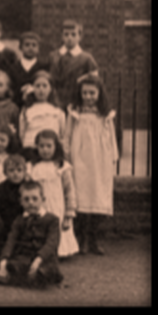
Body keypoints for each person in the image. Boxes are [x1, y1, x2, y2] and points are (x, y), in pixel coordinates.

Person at [64, 74, 117, 255]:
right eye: (85, 93)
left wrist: (113, 158)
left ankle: (94, 238)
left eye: (92, 93)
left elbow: (111, 135)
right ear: (80, 94)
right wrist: (67, 155)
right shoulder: (74, 112)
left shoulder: (105, 114)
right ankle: (81, 238)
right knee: (81, 195)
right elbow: (67, 135)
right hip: (80, 158)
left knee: (99, 195)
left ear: (99, 93)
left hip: (100, 160)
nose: (88, 96)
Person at [0, 181, 64, 288]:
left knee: (43, 272)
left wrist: (38, 260)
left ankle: (31, 278)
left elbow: (51, 243)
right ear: (21, 202)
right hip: (24, 257)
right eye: (26, 199)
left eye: (35, 198)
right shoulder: (19, 220)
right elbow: (11, 240)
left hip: (44, 259)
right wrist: (3, 261)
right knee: (10, 266)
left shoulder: (52, 220)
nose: (31, 202)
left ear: (43, 200)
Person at [28, 129, 79, 258]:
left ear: (56, 147)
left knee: (56, 226)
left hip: (57, 206)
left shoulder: (62, 167)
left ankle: (60, 251)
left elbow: (69, 191)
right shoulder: (31, 166)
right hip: (39, 205)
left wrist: (69, 214)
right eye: (41, 146)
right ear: (36, 147)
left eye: (49, 146)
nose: (45, 150)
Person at [49, 20, 99, 110]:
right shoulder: (54, 56)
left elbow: (94, 81)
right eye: (66, 34)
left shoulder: (86, 59)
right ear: (62, 36)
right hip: (55, 101)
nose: (69, 38)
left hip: (76, 101)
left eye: (73, 34)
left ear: (80, 37)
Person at [11, 32, 50, 108]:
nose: (30, 48)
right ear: (20, 47)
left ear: (38, 48)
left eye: (34, 45)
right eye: (27, 45)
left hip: (38, 105)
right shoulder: (13, 67)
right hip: (17, 104)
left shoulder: (43, 66)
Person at [0, 154, 30, 235]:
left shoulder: (30, 188)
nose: (15, 173)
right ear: (5, 172)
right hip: (6, 226)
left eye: (19, 170)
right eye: (11, 170)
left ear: (25, 172)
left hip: (27, 225)